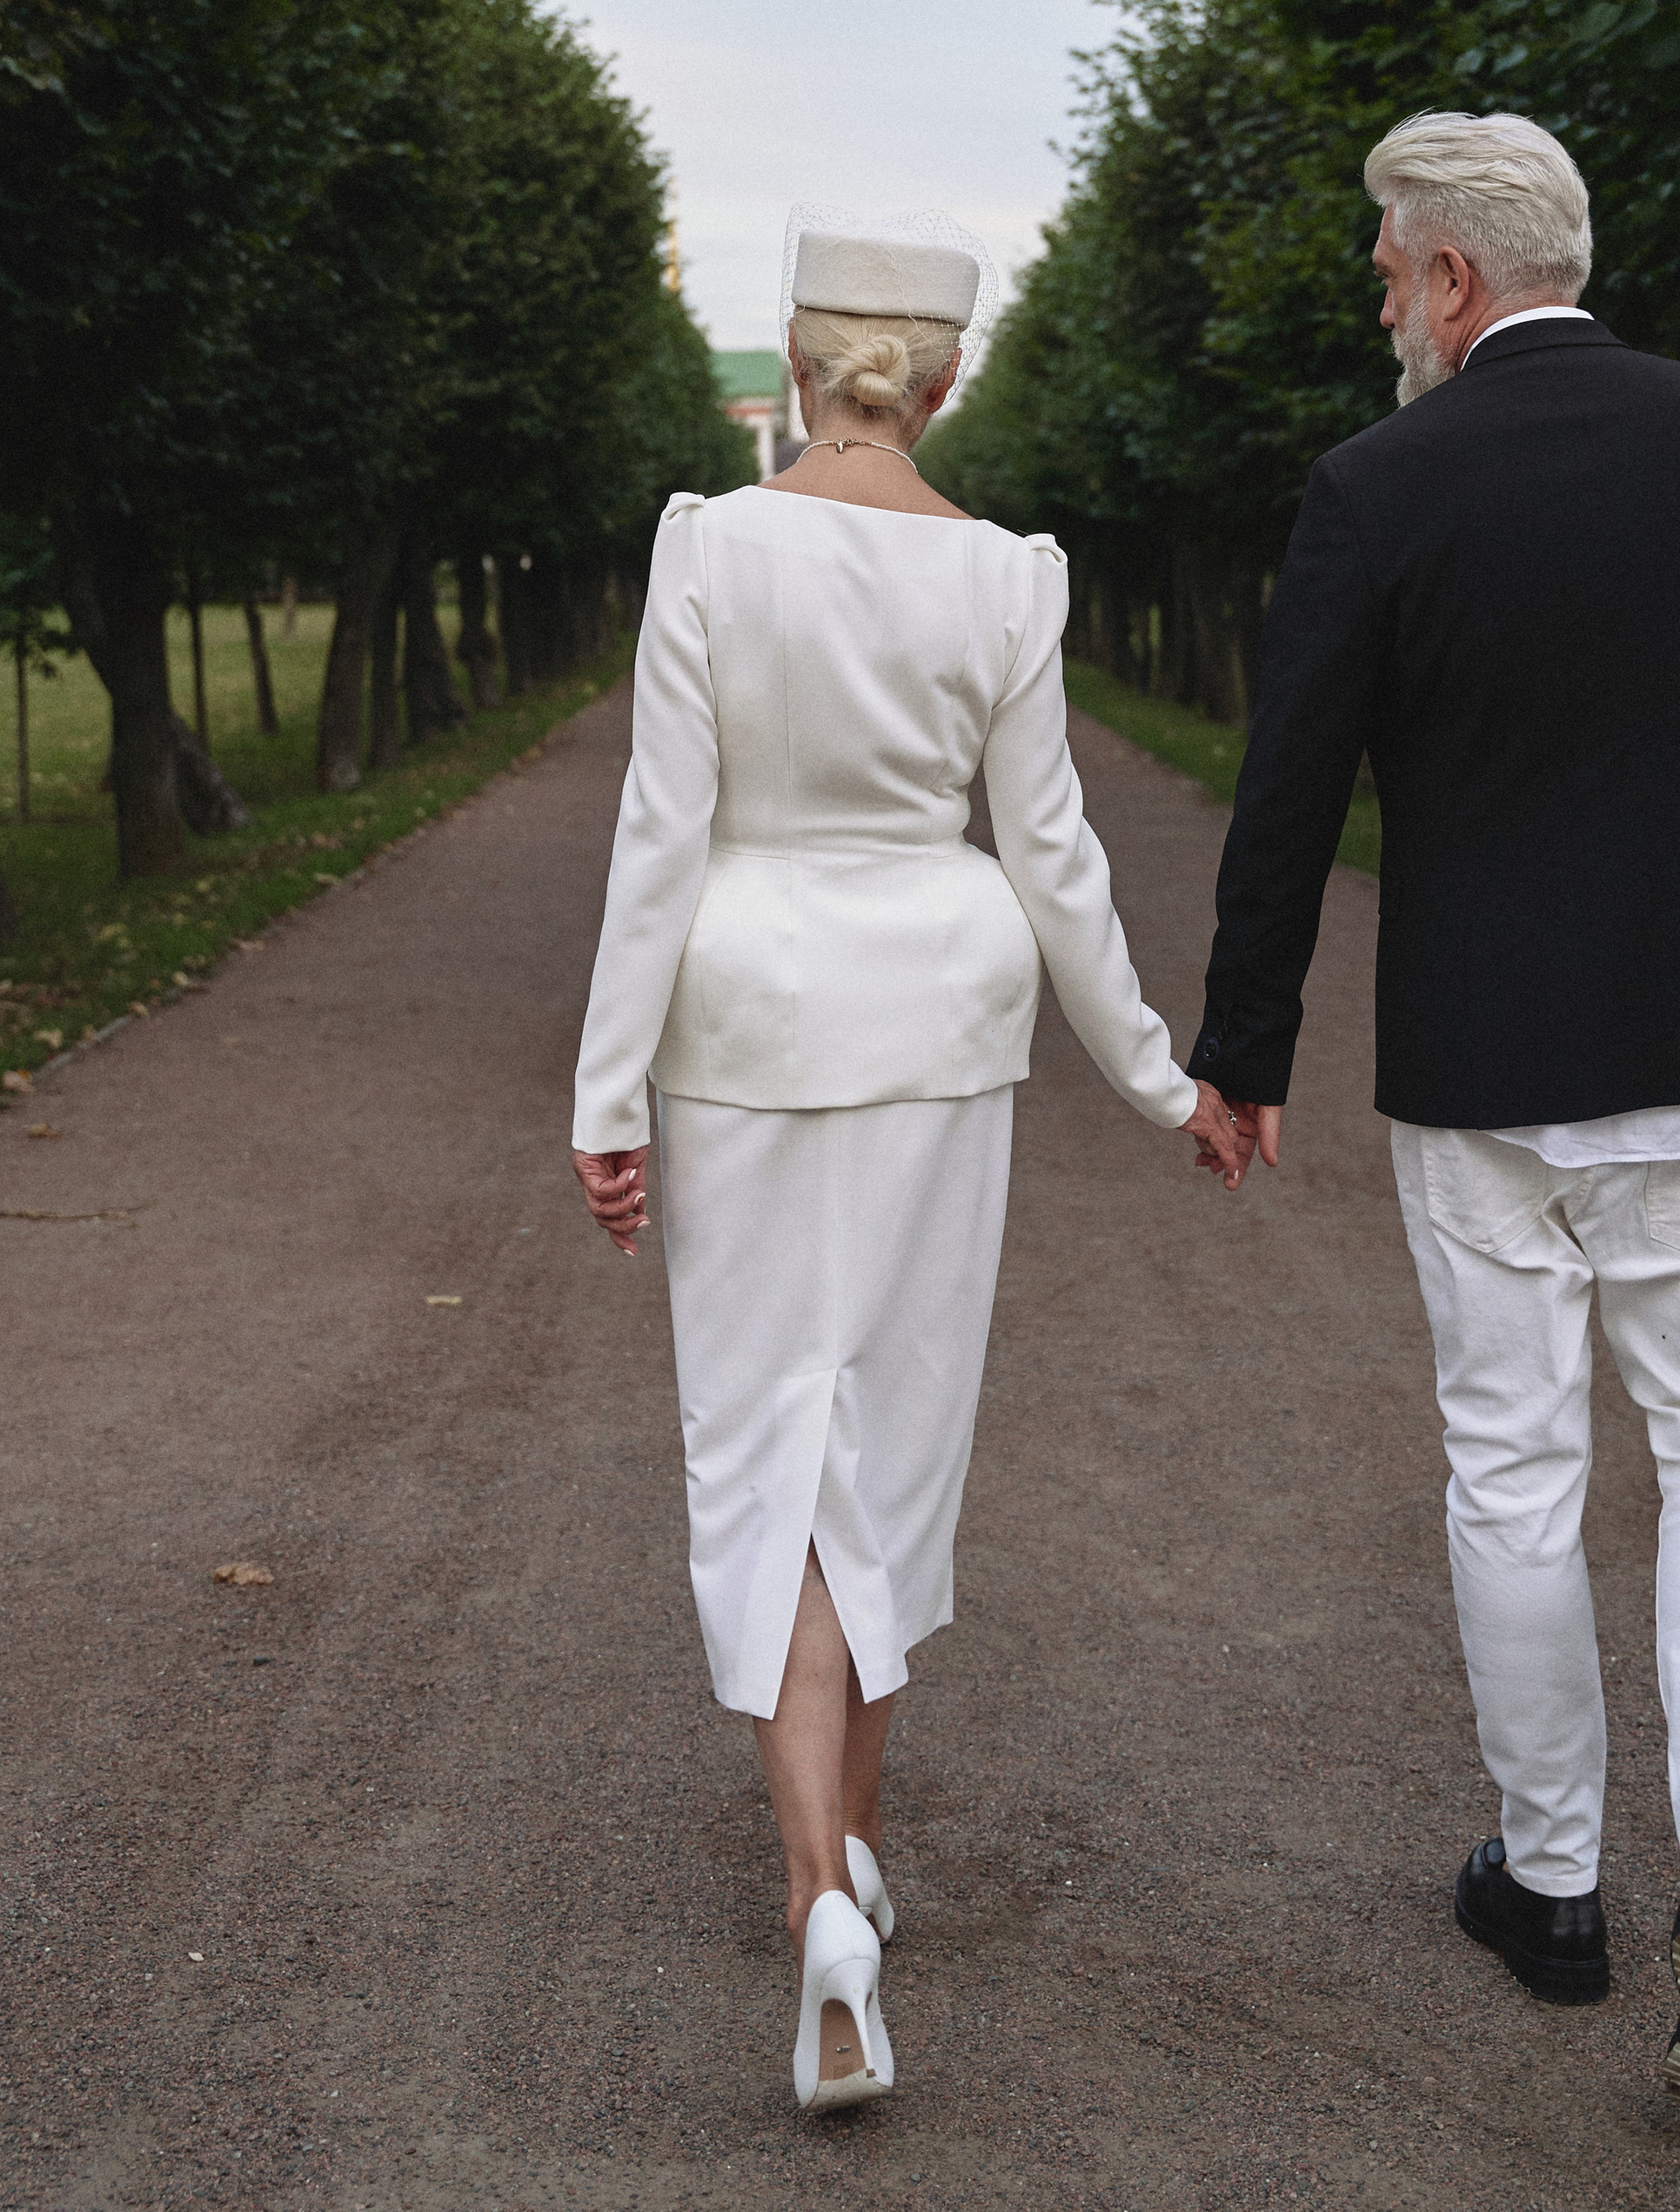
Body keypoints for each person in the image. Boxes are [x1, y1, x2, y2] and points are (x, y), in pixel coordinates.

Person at [1188, 110, 1680, 2142]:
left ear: (1444, 278)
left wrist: (1242, 1046)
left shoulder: (1374, 485)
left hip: (1485, 1063)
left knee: (1514, 1459)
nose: (1379, 312)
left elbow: (1284, 792)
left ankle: (1551, 1891)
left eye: (1381, 277)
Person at [571, 214, 1247, 2115]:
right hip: (939, 1031)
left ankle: (819, 1904)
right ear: (938, 378)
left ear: (796, 371)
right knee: (885, 1446)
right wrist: (1155, 1075)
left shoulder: (709, 546)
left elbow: (657, 836)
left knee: (768, 1443)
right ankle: (838, 1873)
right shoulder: (1012, 580)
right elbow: (1051, 857)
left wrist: (605, 1092)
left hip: (746, 1026)